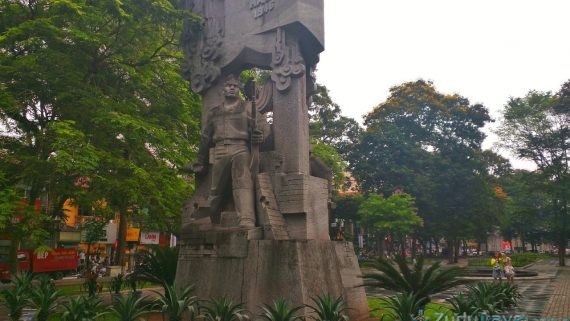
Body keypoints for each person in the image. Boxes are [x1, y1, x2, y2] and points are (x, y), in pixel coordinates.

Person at [190, 74, 268, 228]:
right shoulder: (215, 112)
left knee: (243, 181)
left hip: (240, 148)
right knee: (215, 189)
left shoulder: (247, 107)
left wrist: (261, 136)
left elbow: (263, 126)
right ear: (223, 89)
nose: (232, 88)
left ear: (238, 89)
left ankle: (246, 219)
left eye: (235, 86)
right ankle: (207, 215)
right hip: (220, 149)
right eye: (228, 85)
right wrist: (200, 161)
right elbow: (205, 138)